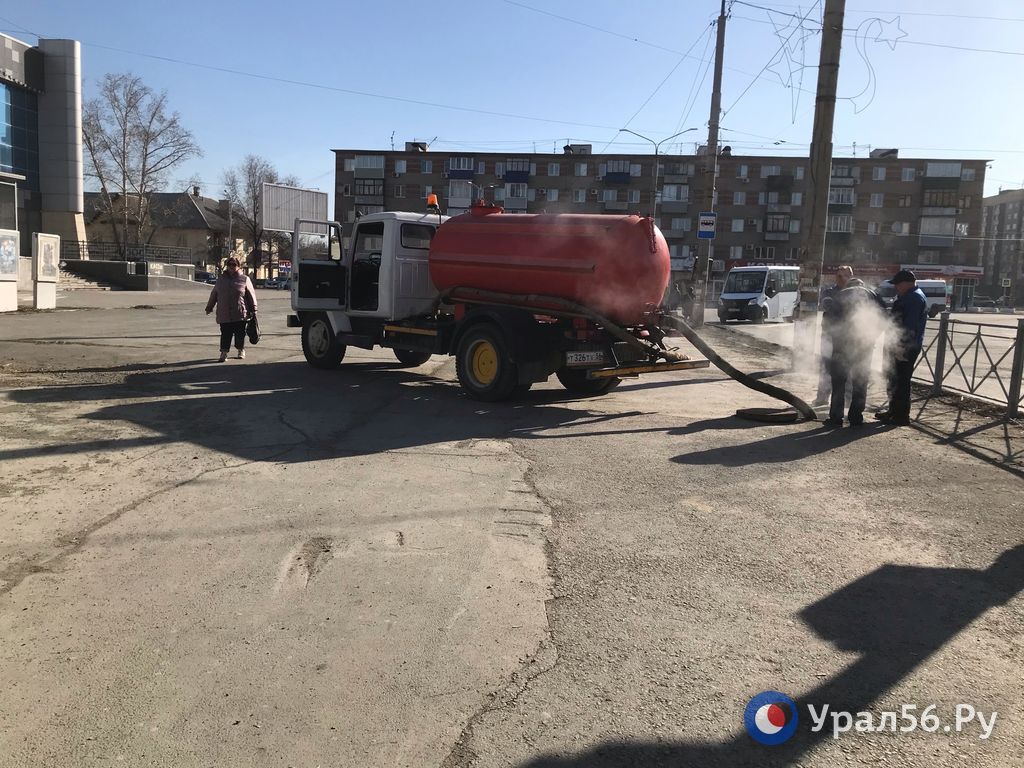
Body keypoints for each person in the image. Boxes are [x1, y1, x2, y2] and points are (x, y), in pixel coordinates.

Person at [821, 278, 886, 427]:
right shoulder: (873, 296)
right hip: (864, 346)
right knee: (860, 381)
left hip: (841, 346)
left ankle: (836, 418)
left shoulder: (840, 295)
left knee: (838, 382)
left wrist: (834, 337)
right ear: (862, 285)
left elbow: (827, 320)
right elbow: (884, 318)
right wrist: (872, 337)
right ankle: (856, 417)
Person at [876, 270, 927, 426]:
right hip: (896, 343)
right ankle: (893, 411)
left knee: (902, 381)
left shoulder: (914, 298)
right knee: (893, 378)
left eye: (898, 284)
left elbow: (909, 327)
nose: (896, 287)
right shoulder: (908, 295)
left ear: (907, 283)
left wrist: (901, 348)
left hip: (905, 347)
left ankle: (901, 416)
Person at [812, 265, 853, 406]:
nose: (839, 278)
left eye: (843, 276)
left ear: (850, 277)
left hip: (848, 339)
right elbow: (827, 304)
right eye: (838, 275)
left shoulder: (855, 293)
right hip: (829, 336)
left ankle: (847, 400)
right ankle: (822, 397)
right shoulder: (829, 291)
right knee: (825, 367)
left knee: (847, 370)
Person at [205, 258, 257, 362]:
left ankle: (240, 349)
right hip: (224, 312)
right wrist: (209, 307)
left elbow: (251, 295)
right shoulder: (221, 280)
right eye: (229, 265)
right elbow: (214, 294)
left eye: (234, 265)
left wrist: (254, 309)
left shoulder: (244, 279)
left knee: (240, 334)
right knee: (225, 334)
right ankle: (224, 353)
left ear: (238, 266)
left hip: (240, 313)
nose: (231, 267)